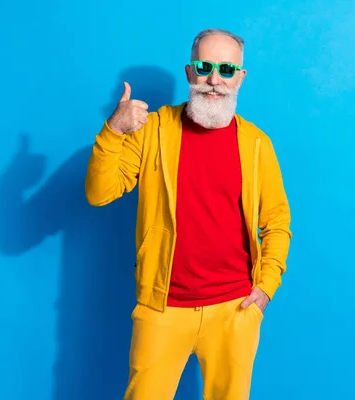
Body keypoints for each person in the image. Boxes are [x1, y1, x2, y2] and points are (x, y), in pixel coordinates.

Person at [85, 28, 292, 400]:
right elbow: (99, 194)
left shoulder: (257, 144)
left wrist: (265, 288)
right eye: (205, 66)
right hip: (163, 307)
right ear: (189, 72)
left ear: (240, 77)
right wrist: (114, 131)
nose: (215, 79)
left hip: (235, 310)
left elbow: (276, 221)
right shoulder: (152, 131)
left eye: (227, 69)